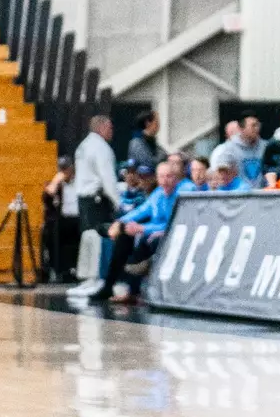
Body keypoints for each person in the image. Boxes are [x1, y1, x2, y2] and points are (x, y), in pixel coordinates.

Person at [92, 160, 185, 303]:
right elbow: (140, 211)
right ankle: (111, 286)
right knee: (124, 235)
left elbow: (176, 224)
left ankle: (139, 277)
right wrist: (120, 222)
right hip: (151, 233)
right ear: (157, 178)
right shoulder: (158, 194)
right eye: (162, 177)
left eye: (169, 177)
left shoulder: (183, 192)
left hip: (172, 236)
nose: (165, 181)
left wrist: (143, 228)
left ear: (176, 178)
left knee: (144, 237)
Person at [67, 115, 120, 299]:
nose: (112, 132)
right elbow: (108, 178)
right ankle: (95, 278)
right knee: (96, 238)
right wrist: (117, 201)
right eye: (110, 128)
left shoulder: (83, 146)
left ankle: (89, 278)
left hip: (84, 199)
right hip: (97, 199)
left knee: (88, 236)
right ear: (101, 127)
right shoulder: (102, 148)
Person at [42, 156, 80, 283]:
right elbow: (48, 196)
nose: (65, 172)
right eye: (62, 170)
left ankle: (74, 269)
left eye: (67, 169)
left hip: (77, 219)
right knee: (52, 232)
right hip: (62, 220)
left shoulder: (79, 182)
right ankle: (57, 269)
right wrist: (56, 181)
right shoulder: (56, 185)